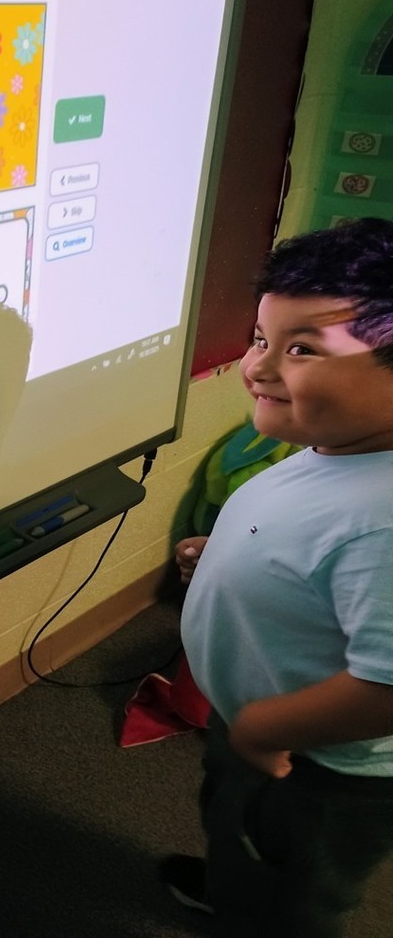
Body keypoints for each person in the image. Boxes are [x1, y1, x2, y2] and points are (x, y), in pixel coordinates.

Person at [163, 217, 393, 937]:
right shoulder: (335, 443)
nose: (256, 367)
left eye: (301, 350)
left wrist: (263, 728)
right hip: (258, 718)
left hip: (319, 765)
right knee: (239, 830)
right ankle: (237, 883)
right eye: (263, 338)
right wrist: (229, 549)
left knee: (297, 887)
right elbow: (299, 528)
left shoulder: (385, 521)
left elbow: (385, 688)